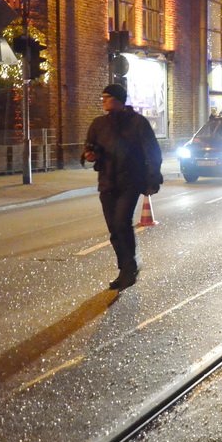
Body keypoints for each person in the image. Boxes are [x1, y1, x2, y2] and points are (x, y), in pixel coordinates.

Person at [81, 83, 163, 290]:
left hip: (130, 181)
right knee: (114, 229)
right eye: (103, 97)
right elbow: (90, 148)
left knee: (121, 222)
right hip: (107, 182)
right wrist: (89, 155)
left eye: (107, 97)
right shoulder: (99, 124)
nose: (103, 101)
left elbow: (152, 151)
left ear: (118, 99)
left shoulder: (137, 123)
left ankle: (129, 269)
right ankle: (126, 268)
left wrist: (153, 178)